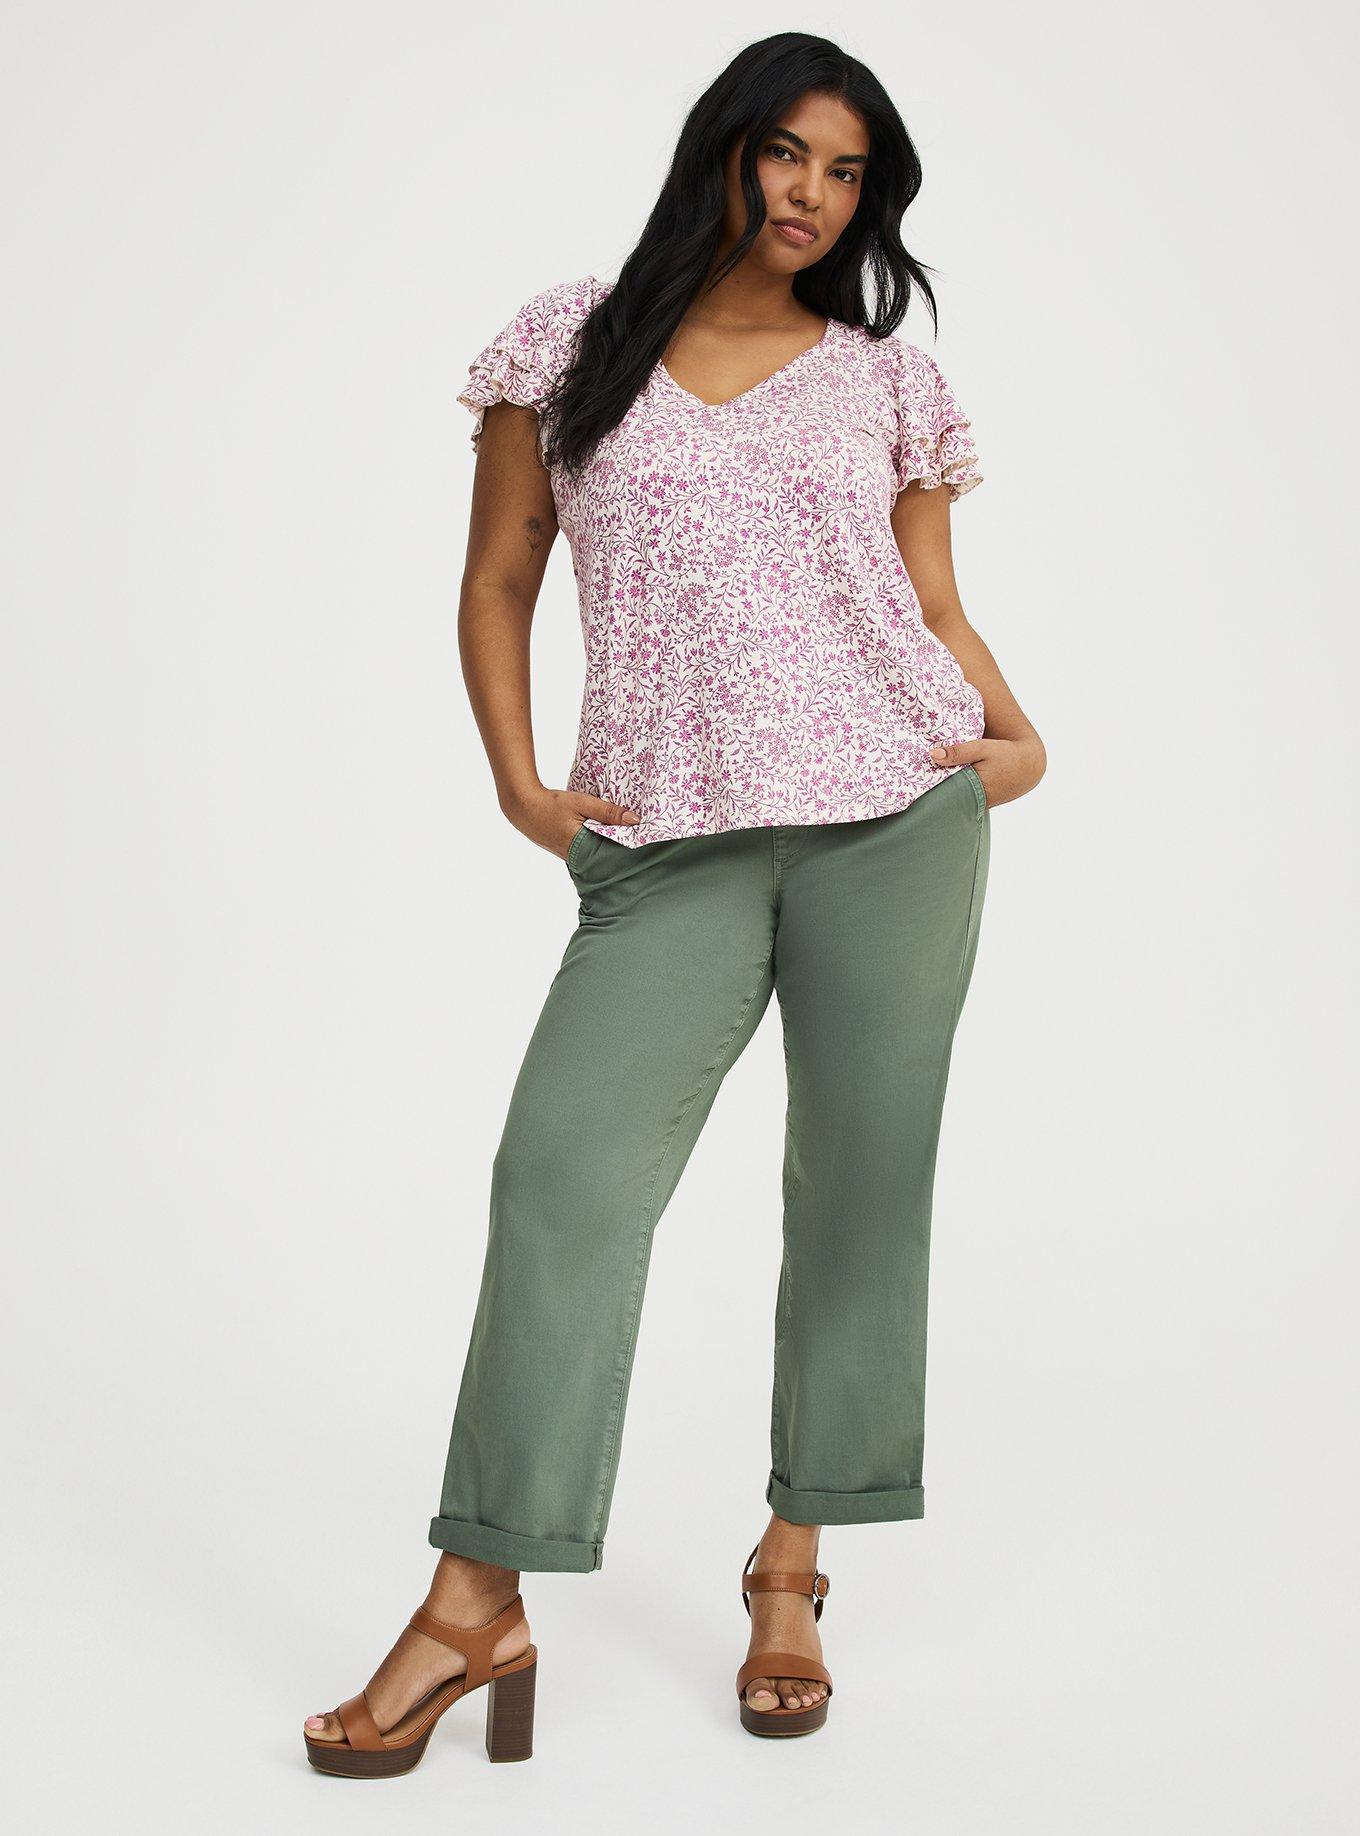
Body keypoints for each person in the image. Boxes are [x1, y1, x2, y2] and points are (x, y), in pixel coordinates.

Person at [303, 30, 1046, 1772]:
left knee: (858, 1191)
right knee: (560, 1181)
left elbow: (932, 607)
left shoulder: (884, 378)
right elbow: (501, 570)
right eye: (786, 152)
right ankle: (475, 1601)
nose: (812, 195)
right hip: (667, 839)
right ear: (723, 147)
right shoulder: (569, 343)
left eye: (848, 173)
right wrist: (519, 782)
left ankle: (791, 1568)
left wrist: (1009, 741)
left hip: (894, 824)